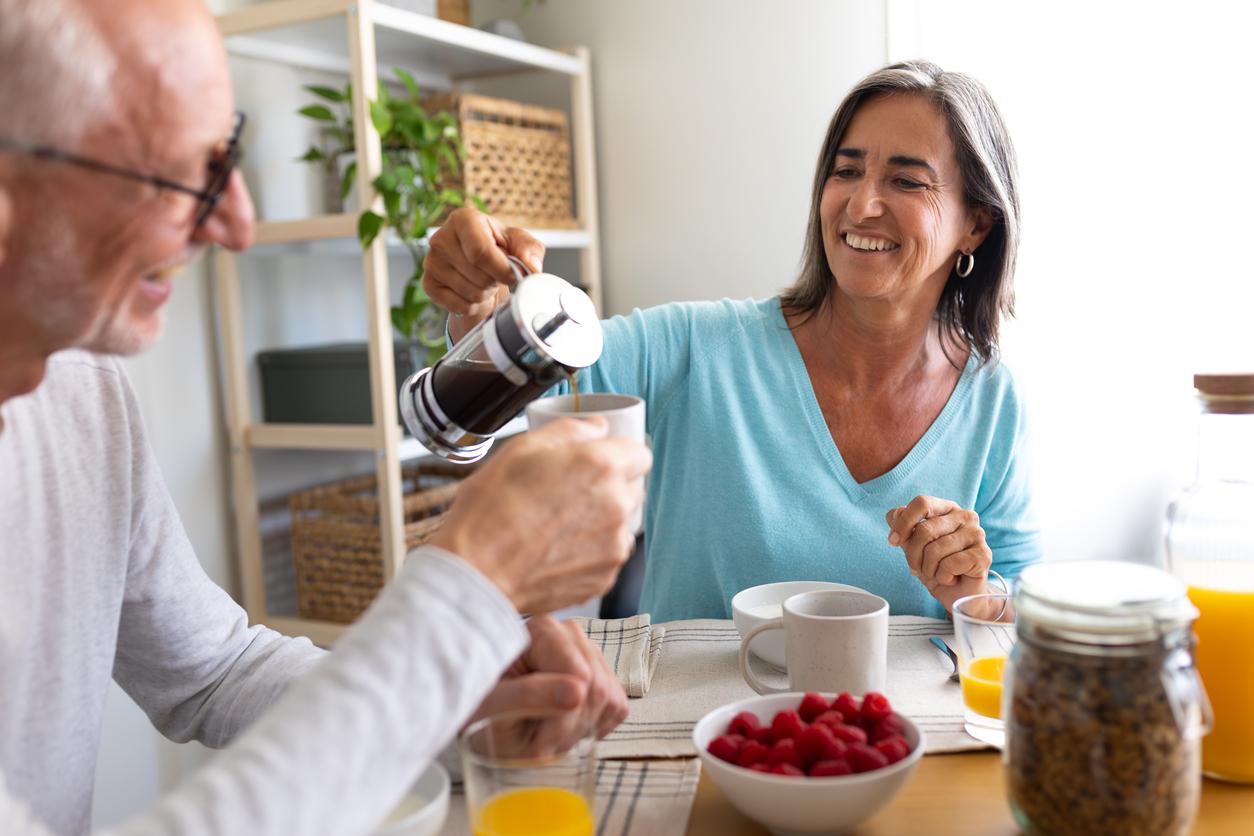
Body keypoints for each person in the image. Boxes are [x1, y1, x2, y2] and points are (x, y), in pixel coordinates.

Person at [0, 0, 650, 833]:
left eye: (229, 154)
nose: (238, 225)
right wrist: (465, 591)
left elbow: (216, 672)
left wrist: (453, 700)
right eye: (180, 176)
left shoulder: (85, 393)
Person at [424, 60, 1041, 622]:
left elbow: (1018, 610)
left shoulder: (992, 398)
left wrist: (973, 592)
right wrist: (482, 313)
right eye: (846, 170)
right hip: (695, 712)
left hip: (896, 715)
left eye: (906, 181)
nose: (861, 204)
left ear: (976, 224)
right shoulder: (696, 348)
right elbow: (481, 412)